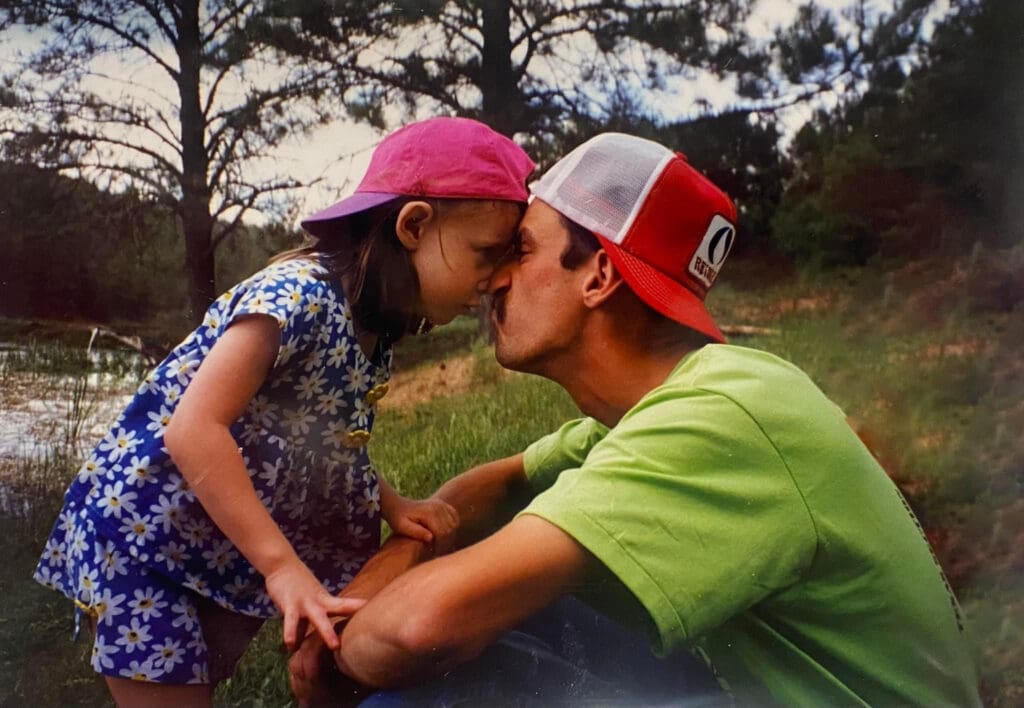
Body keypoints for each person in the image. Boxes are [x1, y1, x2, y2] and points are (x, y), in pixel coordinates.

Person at [290, 132, 981, 706]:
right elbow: (491, 486)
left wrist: (338, 655)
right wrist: (382, 577)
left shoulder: (721, 415)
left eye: (521, 250)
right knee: (514, 607)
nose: (495, 280)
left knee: (445, 671)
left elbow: (418, 626)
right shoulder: (665, 404)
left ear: (599, 275)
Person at [32, 116, 535, 706]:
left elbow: (321, 437)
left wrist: (390, 501)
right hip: (145, 534)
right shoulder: (296, 297)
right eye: (486, 253)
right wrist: (280, 568)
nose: (497, 278)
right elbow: (193, 428)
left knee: (203, 674)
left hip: (211, 536)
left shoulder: (371, 327)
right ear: (414, 224)